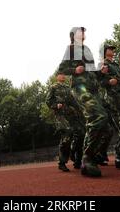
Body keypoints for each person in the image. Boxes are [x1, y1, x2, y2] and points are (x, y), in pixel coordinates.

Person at [58, 27, 112, 177]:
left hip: (93, 88)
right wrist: (75, 71)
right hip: (80, 89)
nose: (83, 34)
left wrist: (100, 72)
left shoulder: (86, 49)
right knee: (99, 117)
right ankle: (87, 159)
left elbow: (90, 69)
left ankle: (93, 155)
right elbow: (61, 69)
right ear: (73, 35)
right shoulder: (71, 49)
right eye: (80, 32)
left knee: (106, 127)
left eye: (84, 32)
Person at [46, 73, 86, 172]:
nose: (63, 76)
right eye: (61, 74)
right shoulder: (53, 87)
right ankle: (62, 162)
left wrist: (82, 111)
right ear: (57, 77)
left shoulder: (68, 88)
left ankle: (77, 160)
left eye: (64, 74)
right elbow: (48, 100)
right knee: (67, 133)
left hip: (71, 114)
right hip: (60, 115)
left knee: (81, 133)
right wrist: (55, 105)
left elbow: (74, 102)